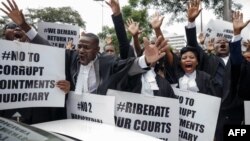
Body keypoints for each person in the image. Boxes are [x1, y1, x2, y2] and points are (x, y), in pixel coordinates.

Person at [184, 0, 250, 140]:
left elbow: (237, 61)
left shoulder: (238, 60)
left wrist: (236, 33)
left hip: (235, 110)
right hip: (213, 110)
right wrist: (191, 22)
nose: (222, 43)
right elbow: (193, 46)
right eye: (218, 42)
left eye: (225, 42)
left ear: (230, 45)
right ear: (214, 47)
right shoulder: (208, 60)